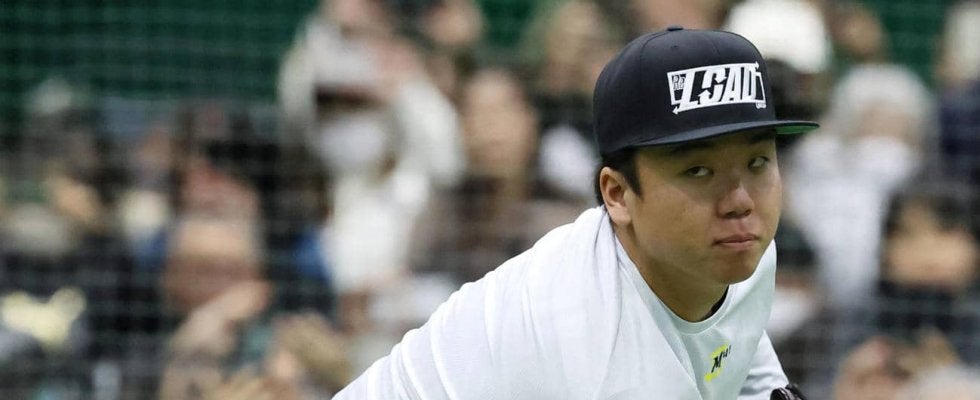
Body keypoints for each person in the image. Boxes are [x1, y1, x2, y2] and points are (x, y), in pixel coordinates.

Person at [333, 26, 818, 399]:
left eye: (758, 163)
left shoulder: (739, 253)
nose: (740, 200)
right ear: (618, 195)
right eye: (698, 170)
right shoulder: (586, 345)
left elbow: (744, 358)